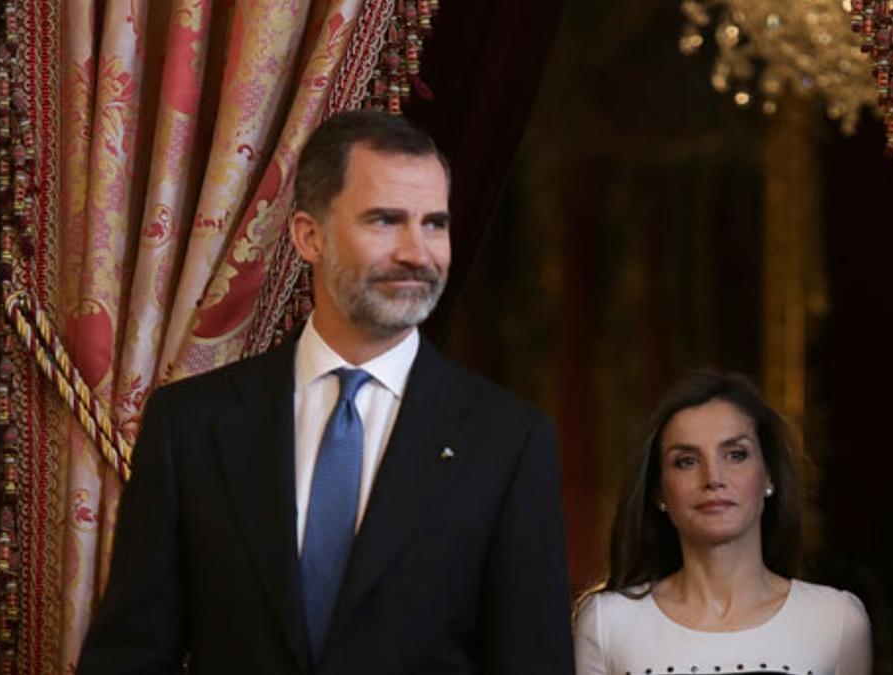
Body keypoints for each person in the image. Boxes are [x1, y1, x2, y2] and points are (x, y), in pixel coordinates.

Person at [78, 110, 574, 674]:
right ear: (308, 236)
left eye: (434, 223)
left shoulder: (507, 441)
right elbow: (128, 659)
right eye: (386, 221)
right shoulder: (192, 424)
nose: (418, 252)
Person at [574, 369, 871, 675]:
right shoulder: (607, 623)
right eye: (687, 461)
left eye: (735, 454)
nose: (713, 478)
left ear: (769, 475)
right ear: (659, 491)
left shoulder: (836, 621)